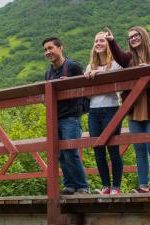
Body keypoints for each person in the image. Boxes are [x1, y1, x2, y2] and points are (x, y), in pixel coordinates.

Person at [106, 26, 150, 193]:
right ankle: (144, 186)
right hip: (134, 109)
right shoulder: (128, 58)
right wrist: (112, 41)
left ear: (144, 36)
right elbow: (118, 56)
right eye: (130, 37)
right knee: (139, 149)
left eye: (136, 35)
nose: (133, 38)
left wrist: (148, 69)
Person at [42, 36, 89, 195]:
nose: (48, 52)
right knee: (60, 153)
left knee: (71, 151)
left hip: (71, 116)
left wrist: (68, 84)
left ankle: (82, 186)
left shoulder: (73, 67)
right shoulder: (48, 73)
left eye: (50, 48)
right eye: (45, 50)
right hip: (55, 117)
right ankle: (70, 185)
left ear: (60, 48)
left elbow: (85, 88)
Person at [84, 32, 124, 195]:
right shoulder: (89, 67)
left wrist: (98, 75)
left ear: (108, 44)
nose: (98, 43)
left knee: (113, 148)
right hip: (93, 111)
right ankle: (105, 186)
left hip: (111, 108)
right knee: (98, 149)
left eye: (102, 40)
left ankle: (116, 187)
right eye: (96, 41)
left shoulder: (115, 64)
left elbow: (120, 78)